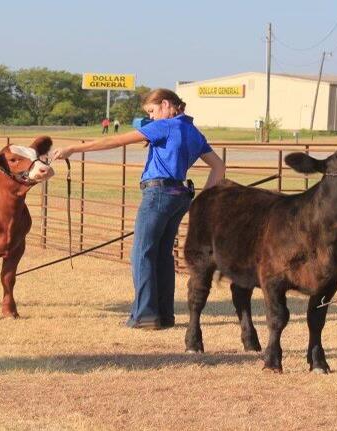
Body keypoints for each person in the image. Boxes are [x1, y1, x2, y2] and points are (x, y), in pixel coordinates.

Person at [52, 89, 225, 330]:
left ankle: (143, 315)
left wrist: (74, 149)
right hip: (179, 197)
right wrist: (203, 200)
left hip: (157, 194)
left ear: (166, 104)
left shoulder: (165, 126)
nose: (152, 118)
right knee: (163, 255)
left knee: (142, 254)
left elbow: (113, 140)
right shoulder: (193, 131)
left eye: (152, 111)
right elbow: (218, 167)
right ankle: (164, 315)